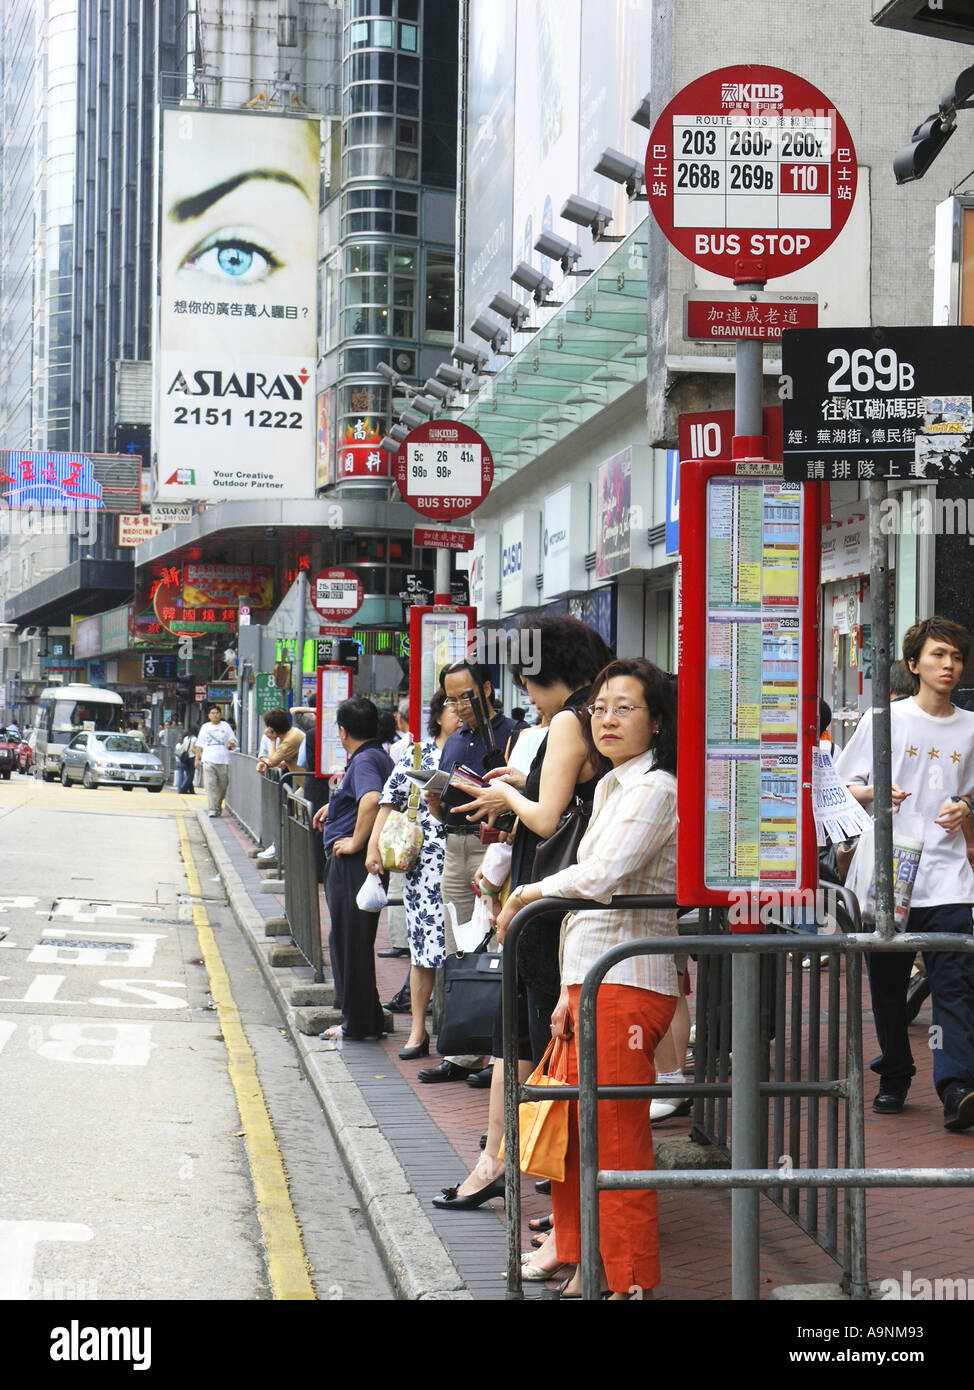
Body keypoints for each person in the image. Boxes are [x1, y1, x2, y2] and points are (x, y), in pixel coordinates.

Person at [495, 657, 680, 1298]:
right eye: (599, 707)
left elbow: (599, 877)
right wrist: (570, 991)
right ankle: (573, 1249)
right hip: (593, 982)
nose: (607, 719)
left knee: (616, 1135)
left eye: (625, 708)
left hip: (629, 985)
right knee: (574, 1130)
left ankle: (623, 1275)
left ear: (657, 722)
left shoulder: (657, 788)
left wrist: (525, 892)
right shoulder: (613, 786)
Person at [432, 615, 612, 1212]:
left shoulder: (569, 718)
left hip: (545, 902)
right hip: (560, 900)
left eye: (530, 682)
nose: (528, 698)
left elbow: (542, 818)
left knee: (533, 1044)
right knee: (524, 1042)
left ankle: (527, 1179)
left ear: (552, 672)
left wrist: (507, 794)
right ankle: (506, 1163)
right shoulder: (598, 716)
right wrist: (519, 781)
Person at [836, 616, 974, 1129]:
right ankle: (894, 1072)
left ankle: (957, 1086)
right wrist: (875, 793)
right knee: (888, 984)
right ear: (913, 665)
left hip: (950, 875)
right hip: (890, 872)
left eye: (956, 657)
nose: (949, 665)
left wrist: (966, 807)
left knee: (955, 983)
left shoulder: (971, 727)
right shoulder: (885, 720)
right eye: (938, 655)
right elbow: (841, 786)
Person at [419, 661, 523, 1083]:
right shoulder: (455, 740)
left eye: (465, 696)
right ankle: (462, 1051)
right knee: (457, 944)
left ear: (486, 689)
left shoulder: (513, 733)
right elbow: (443, 796)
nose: (458, 706)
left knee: (495, 944)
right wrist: (433, 800)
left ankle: (495, 1054)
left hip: (495, 846)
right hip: (455, 842)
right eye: (450, 698)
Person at [366, 691, 463, 1058]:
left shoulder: (473, 751)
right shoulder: (417, 752)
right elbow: (388, 799)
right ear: (438, 715)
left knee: (462, 947)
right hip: (424, 861)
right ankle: (419, 1029)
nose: (459, 715)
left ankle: (457, 1033)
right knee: (423, 948)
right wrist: (374, 846)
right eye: (452, 708)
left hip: (465, 856)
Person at [311, 698, 393, 1041]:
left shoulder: (365, 760)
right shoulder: (375, 755)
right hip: (358, 864)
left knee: (349, 941)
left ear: (342, 732)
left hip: (353, 865)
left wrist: (357, 841)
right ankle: (367, 1017)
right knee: (353, 940)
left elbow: (371, 799)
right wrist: (336, 807)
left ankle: (356, 1023)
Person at [194, 705, 237, 817]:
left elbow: (232, 740)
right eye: (212, 713)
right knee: (210, 784)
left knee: (222, 786)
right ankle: (212, 808)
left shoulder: (226, 726)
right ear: (209, 715)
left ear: (220, 714)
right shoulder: (205, 727)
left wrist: (232, 743)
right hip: (208, 759)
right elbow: (199, 745)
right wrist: (196, 760)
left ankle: (217, 805)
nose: (215, 715)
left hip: (223, 760)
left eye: (217, 713)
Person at [176, 729, 196, 795]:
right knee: (190, 775)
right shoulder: (194, 738)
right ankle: (183, 788)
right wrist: (198, 754)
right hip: (191, 758)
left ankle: (188, 790)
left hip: (183, 759)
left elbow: (183, 749)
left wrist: (181, 757)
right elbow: (192, 748)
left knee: (186, 774)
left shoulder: (185, 739)